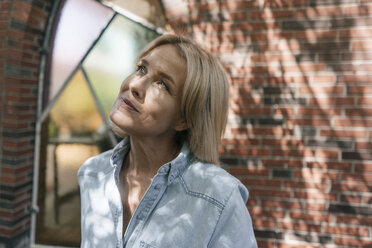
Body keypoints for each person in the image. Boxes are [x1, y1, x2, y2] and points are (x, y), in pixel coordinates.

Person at [78, 34, 257, 248]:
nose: (135, 85)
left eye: (162, 84)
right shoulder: (92, 174)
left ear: (184, 119)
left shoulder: (219, 197)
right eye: (141, 69)